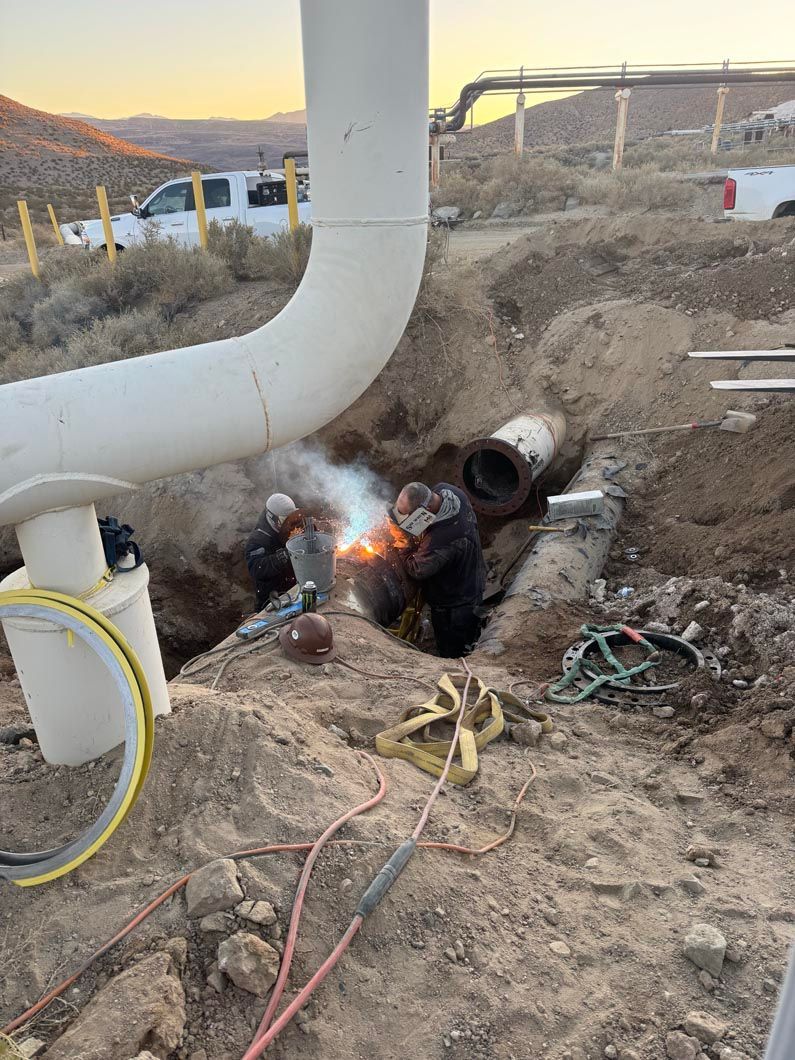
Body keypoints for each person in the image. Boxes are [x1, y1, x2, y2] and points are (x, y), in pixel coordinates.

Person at [391, 481, 485, 658]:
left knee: (453, 651)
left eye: (409, 516)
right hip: (470, 573)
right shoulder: (445, 490)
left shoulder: (444, 538)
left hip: (456, 601)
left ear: (423, 509)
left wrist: (404, 546)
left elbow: (417, 569)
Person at [245, 493, 300, 609]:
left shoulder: (289, 530)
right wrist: (282, 557)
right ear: (272, 517)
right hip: (271, 602)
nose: (289, 524)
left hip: (293, 592)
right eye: (284, 520)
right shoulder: (258, 540)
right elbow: (256, 568)